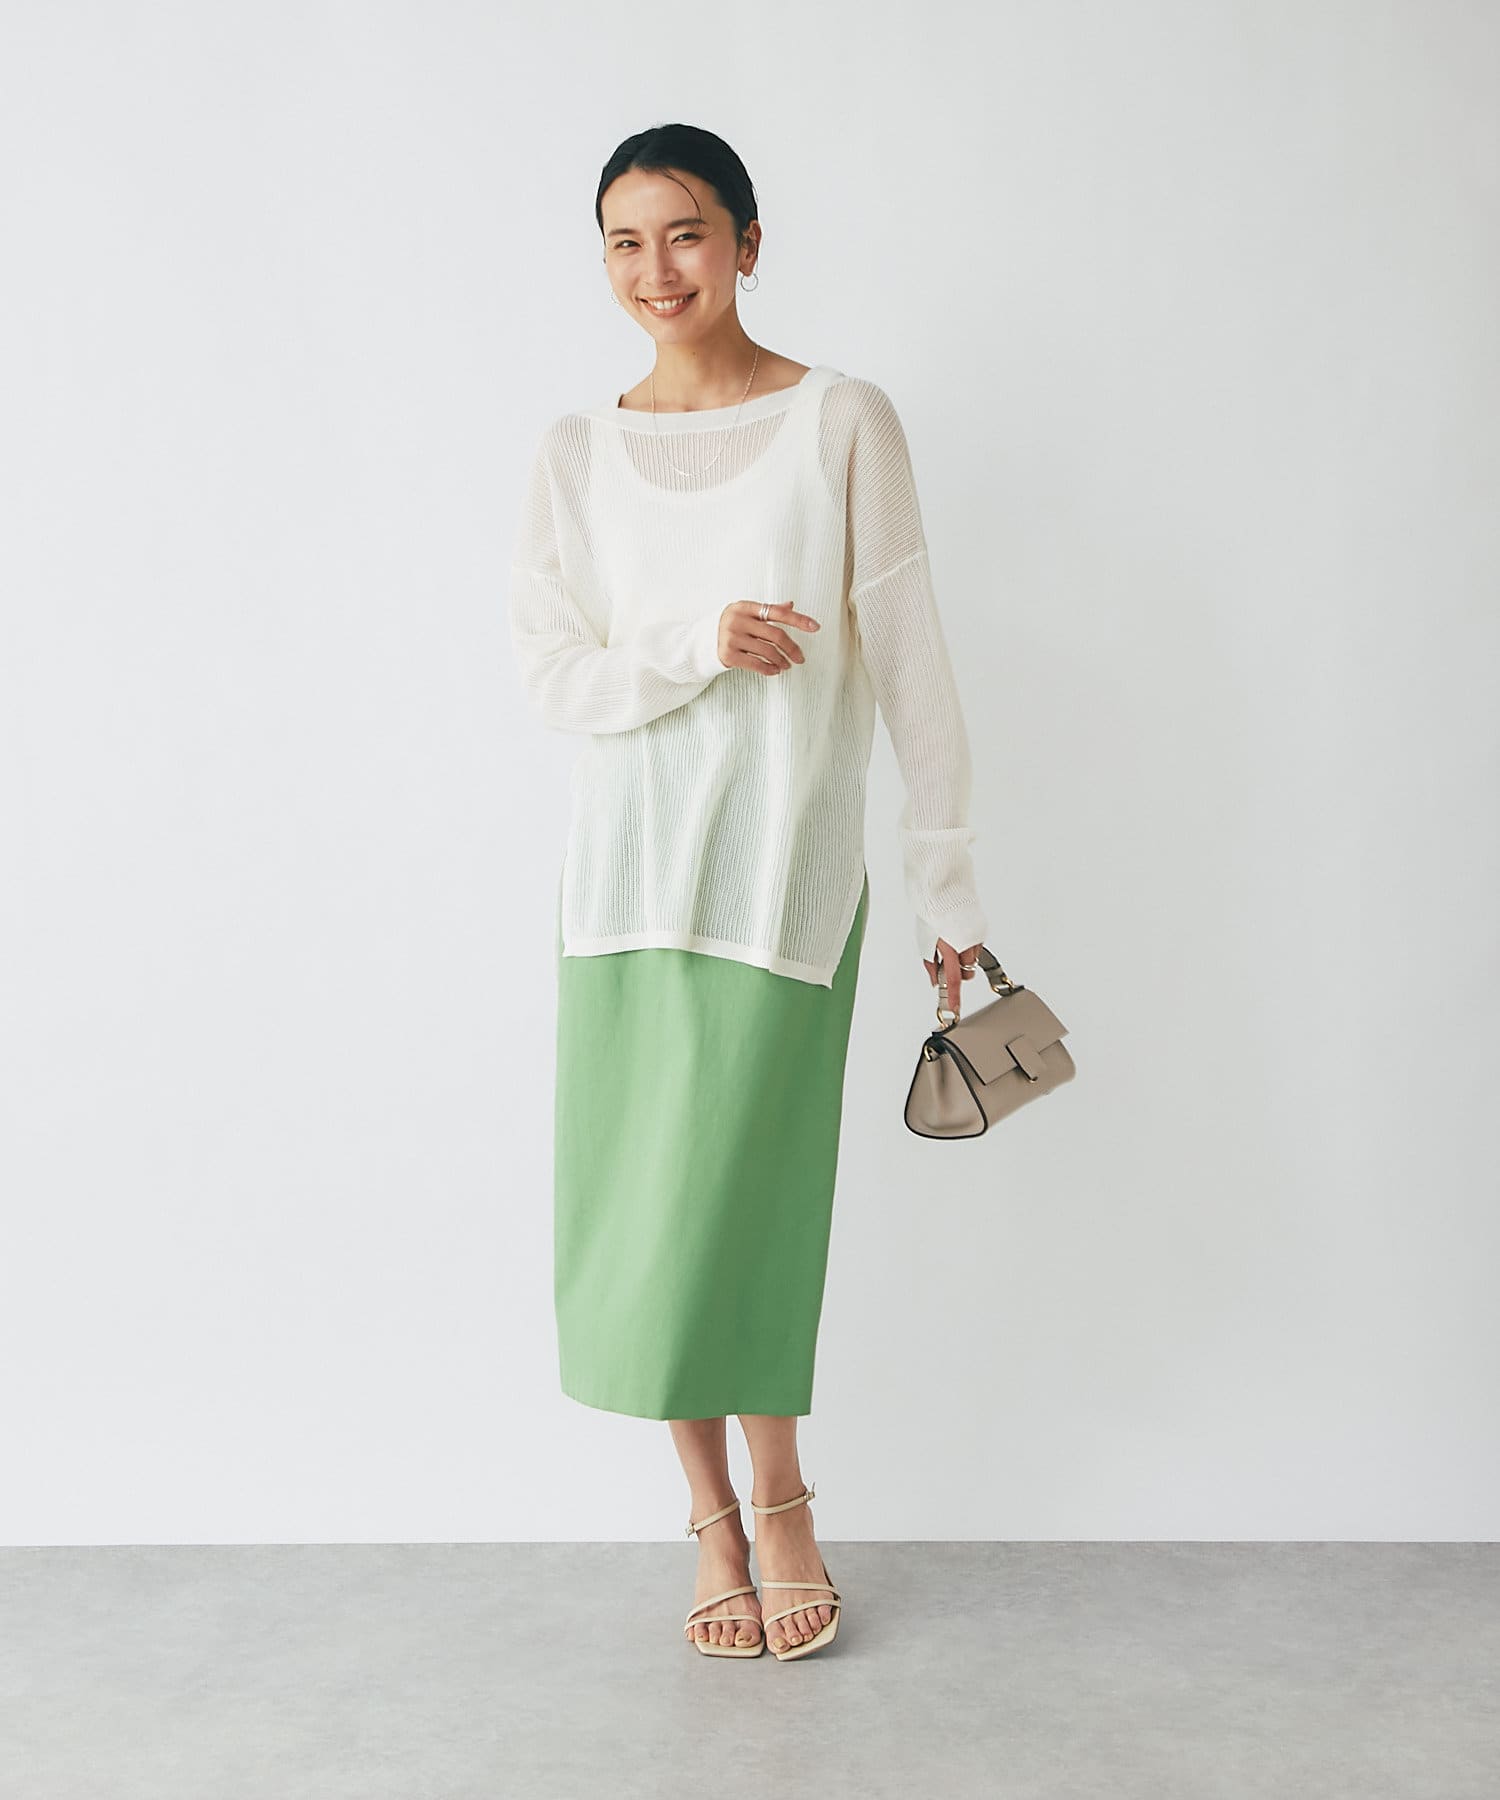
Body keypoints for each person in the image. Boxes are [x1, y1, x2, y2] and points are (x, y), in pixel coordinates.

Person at [507, 122, 988, 1661]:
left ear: (749, 244)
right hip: (622, 886)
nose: (657, 269)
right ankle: (710, 1518)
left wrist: (947, 884)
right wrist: (694, 643)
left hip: (782, 881)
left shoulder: (840, 420)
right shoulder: (574, 453)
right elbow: (556, 677)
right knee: (646, 1217)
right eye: (625, 240)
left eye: (687, 233)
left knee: (749, 1206)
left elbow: (911, 660)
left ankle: (783, 1500)